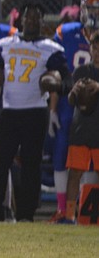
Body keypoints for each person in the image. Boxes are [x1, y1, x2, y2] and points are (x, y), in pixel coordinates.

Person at [0, 2, 67, 222]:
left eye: (36, 18)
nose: (32, 21)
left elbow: (65, 75)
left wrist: (56, 83)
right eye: (29, 17)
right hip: (9, 109)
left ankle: (26, 214)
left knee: (31, 164)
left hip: (35, 110)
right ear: (22, 20)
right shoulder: (6, 43)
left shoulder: (51, 48)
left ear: (43, 22)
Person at [48, 0, 97, 223]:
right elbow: (55, 66)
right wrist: (52, 107)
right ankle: (63, 209)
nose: (94, 14)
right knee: (63, 150)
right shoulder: (66, 33)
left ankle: (88, 210)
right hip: (73, 101)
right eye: (91, 9)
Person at [61, 31, 99, 224]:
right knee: (75, 172)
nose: (97, 50)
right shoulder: (81, 71)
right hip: (81, 126)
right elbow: (70, 100)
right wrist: (75, 92)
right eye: (94, 46)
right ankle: (68, 215)